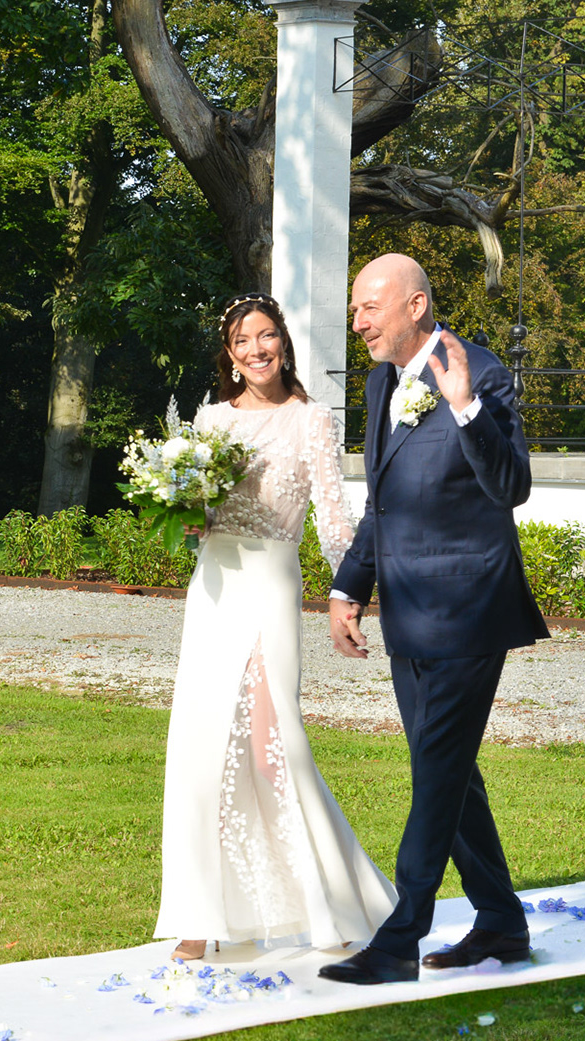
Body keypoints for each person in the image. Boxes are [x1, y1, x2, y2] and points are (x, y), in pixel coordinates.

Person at [316, 254, 548, 986]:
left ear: (416, 305)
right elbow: (382, 502)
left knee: (437, 774)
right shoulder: (383, 379)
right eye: (356, 310)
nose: (358, 324)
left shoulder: (477, 372)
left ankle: (399, 940)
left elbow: (512, 486)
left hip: (470, 610)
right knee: (447, 773)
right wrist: (349, 587)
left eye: (369, 308)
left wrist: (463, 408)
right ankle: (501, 922)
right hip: (408, 615)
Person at [155, 293, 398, 963]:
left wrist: (351, 583)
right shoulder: (208, 420)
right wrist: (183, 513)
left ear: (282, 343)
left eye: (266, 337)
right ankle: (199, 918)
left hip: (270, 584)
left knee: (272, 748)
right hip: (214, 588)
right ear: (229, 356)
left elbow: (331, 513)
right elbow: (190, 508)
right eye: (243, 342)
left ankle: (338, 904)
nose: (257, 350)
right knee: (200, 752)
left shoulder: (311, 420)